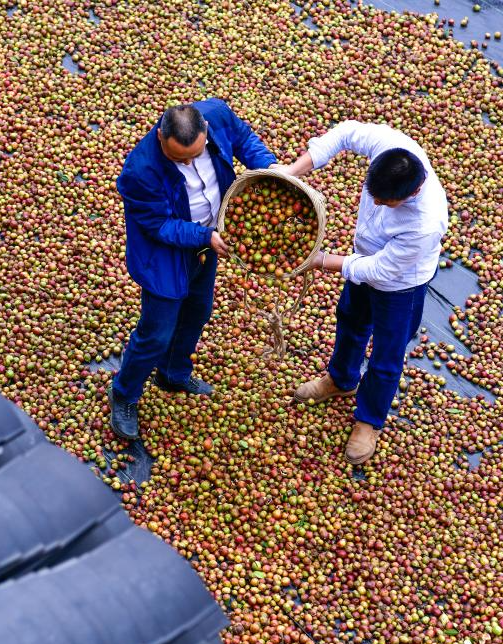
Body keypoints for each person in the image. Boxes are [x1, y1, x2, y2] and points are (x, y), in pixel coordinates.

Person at [108, 100, 279, 441]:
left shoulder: (216, 115)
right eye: (179, 159)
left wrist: (271, 169)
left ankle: (173, 373)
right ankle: (124, 393)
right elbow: (159, 226)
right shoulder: (140, 171)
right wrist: (205, 235)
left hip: (207, 243)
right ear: (160, 137)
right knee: (156, 331)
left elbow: (244, 140)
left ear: (205, 132)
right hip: (166, 254)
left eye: (195, 155)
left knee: (198, 311)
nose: (189, 162)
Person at [282, 121, 448, 465]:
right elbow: (344, 133)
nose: (372, 201)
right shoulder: (394, 149)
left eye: (382, 201)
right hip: (361, 259)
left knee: (387, 354)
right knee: (350, 320)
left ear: (408, 196)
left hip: (400, 285)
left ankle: (369, 420)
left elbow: (379, 270)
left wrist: (322, 260)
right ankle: (341, 379)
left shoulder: (425, 222)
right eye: (370, 192)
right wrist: (292, 172)